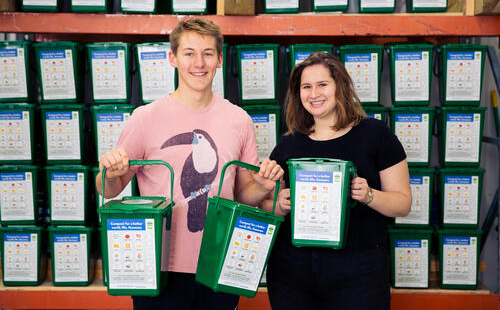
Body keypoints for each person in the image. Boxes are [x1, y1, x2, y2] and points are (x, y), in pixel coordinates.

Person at [96, 18, 284, 310]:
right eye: (189, 53)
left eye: (208, 53)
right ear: (173, 58)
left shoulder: (239, 120)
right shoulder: (144, 117)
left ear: (220, 59)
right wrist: (109, 172)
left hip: (219, 262)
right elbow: (108, 189)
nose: (199, 62)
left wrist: (261, 187)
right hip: (158, 266)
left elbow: (243, 193)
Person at [260, 52, 412, 310]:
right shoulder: (289, 143)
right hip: (292, 273)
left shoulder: (376, 135)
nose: (313, 93)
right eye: (306, 87)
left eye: (322, 85)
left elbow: (403, 204)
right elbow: (267, 205)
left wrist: (369, 195)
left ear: (340, 86)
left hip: (359, 272)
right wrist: (277, 204)